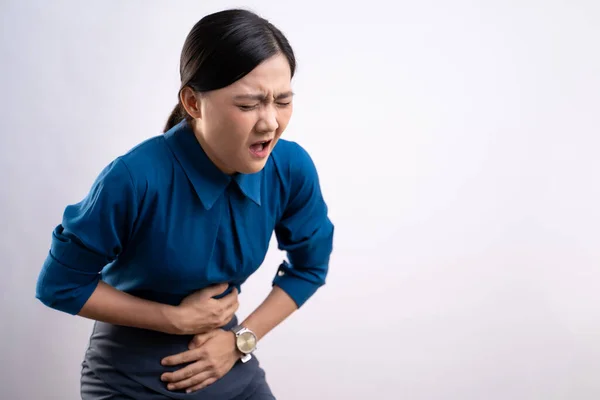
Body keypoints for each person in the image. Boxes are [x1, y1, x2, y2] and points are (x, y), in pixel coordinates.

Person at [35, 8, 334, 400]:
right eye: (248, 105)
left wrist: (241, 340)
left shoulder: (290, 167)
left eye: (282, 101)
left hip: (225, 362)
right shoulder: (133, 178)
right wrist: (173, 319)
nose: (270, 123)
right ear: (193, 103)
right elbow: (59, 285)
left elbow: (309, 267)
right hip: (129, 380)